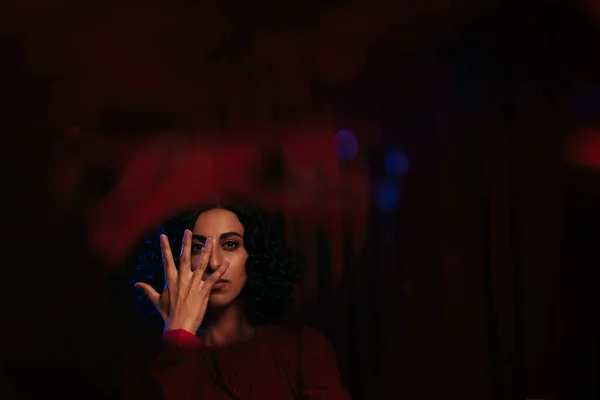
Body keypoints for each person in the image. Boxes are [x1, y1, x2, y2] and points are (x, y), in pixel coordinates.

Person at [130, 203, 351, 399]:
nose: (214, 263)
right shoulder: (148, 360)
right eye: (198, 247)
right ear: (179, 261)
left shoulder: (302, 350)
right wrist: (179, 333)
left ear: (254, 255)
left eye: (230, 245)